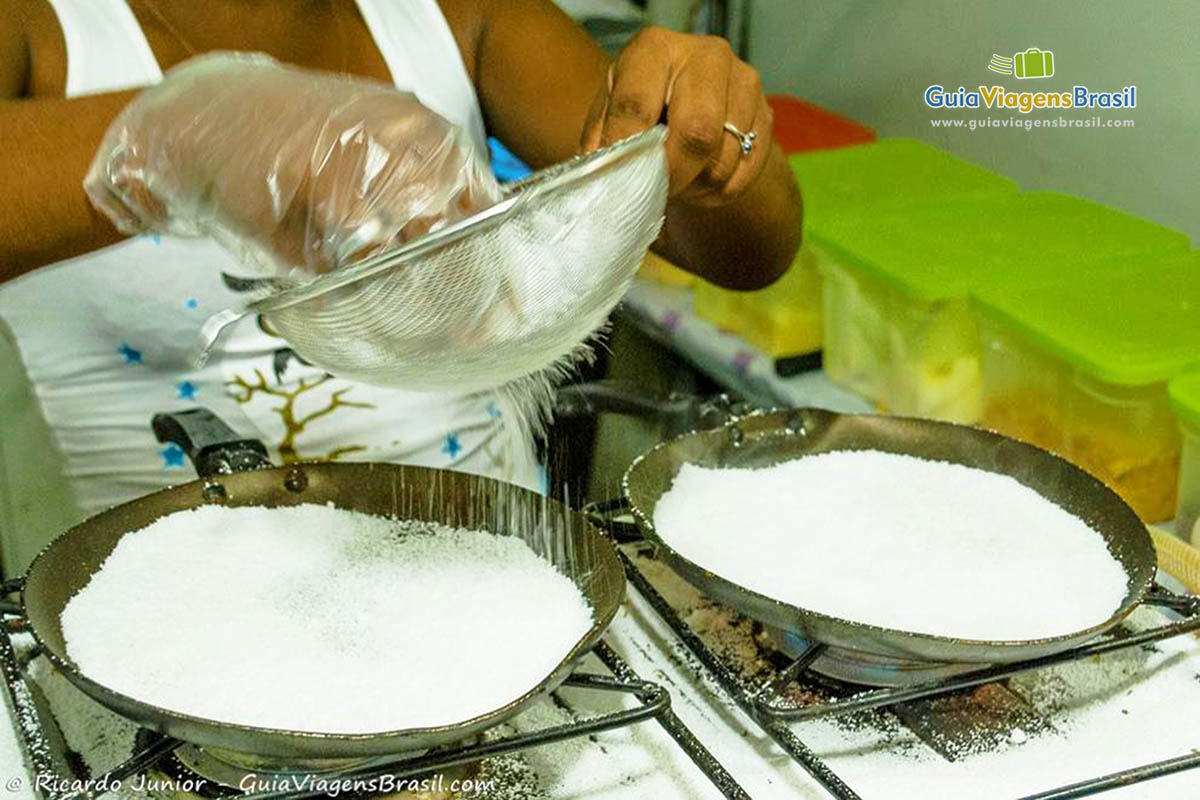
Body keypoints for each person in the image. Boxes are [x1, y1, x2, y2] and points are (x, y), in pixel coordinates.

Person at [0, 0, 802, 517]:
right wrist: (189, 130)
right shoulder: (39, 28)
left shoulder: (457, 14)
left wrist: (714, 130)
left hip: (492, 583)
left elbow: (752, 251)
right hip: (178, 625)